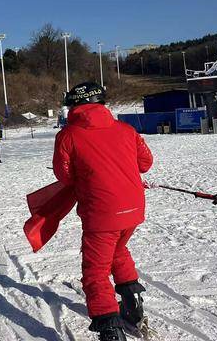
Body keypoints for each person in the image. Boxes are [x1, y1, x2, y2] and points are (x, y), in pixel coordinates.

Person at [51, 82, 153, 340]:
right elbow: (146, 163)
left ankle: (110, 327)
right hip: (133, 209)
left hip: (101, 212)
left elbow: (64, 175)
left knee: (95, 270)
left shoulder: (68, 135)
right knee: (118, 250)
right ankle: (133, 305)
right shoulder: (126, 130)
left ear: (73, 106)